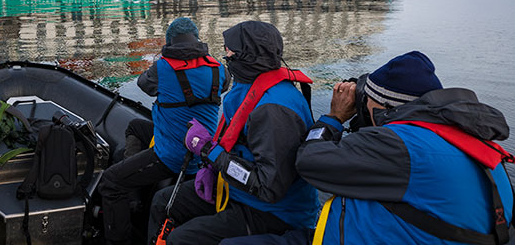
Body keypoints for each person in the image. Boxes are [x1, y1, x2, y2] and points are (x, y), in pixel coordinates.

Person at [295, 51, 514, 244]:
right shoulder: (467, 134)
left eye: (366, 101)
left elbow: (309, 160)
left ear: (383, 107)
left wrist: (335, 117)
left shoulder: (397, 144)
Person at [149, 20, 319, 244]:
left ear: (245, 55)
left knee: (182, 239)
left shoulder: (273, 110)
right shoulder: (250, 85)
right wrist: (211, 168)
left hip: (274, 212)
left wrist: (210, 151)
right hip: (238, 191)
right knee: (164, 200)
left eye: (229, 50)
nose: (225, 54)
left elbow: (269, 187)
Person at [99, 17, 226, 245]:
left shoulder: (163, 67)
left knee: (111, 182)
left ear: (170, 41)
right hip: (205, 152)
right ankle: (135, 194)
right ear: (197, 38)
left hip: (174, 154)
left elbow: (143, 85)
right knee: (136, 127)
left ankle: (120, 238)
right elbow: (225, 85)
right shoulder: (218, 68)